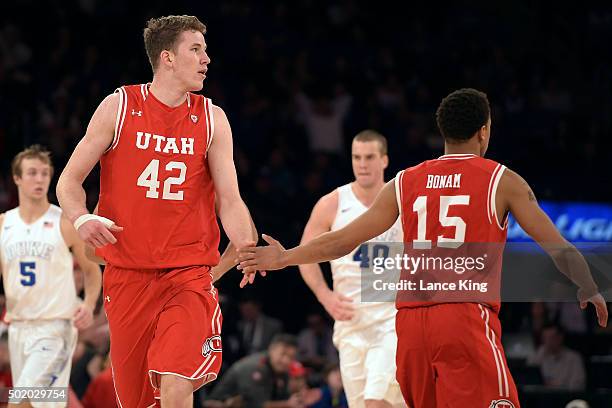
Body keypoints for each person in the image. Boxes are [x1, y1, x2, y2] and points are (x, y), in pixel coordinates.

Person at [237, 88, 608, 407]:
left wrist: (285, 257)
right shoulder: (501, 180)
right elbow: (556, 246)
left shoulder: (405, 181)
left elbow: (342, 240)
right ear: (484, 131)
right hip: (463, 317)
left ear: (442, 131)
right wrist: (589, 286)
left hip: (410, 326)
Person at [56, 15, 257, 408]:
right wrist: (82, 218)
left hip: (188, 273)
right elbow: (68, 182)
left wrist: (245, 244)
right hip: (128, 274)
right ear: (167, 58)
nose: (207, 59)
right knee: (137, 400)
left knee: (177, 379)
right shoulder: (119, 107)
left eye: (205, 49)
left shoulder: (212, 118)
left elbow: (230, 201)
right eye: (195, 49)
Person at [298, 130, 403, 407]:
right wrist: (324, 295)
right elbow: (305, 254)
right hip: (350, 323)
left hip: (392, 319)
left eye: (369, 157)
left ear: (384, 160)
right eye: (357, 157)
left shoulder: (403, 200)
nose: (362, 164)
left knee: (375, 401)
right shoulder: (332, 202)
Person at [0, 145, 102, 407]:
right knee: (44, 404)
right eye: (32, 173)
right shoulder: (4, 224)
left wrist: (89, 304)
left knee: (19, 401)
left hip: (55, 328)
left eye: (45, 173)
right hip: (19, 327)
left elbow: (92, 271)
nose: (40, 179)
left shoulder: (64, 223)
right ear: (17, 179)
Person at [206, 334, 303, 408]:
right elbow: (256, 404)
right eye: (283, 354)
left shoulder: (282, 370)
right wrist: (287, 404)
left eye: (291, 357)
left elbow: (282, 397)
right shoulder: (255, 367)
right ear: (272, 349)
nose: (286, 361)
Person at [527, 324, 586, 391]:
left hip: (565, 397)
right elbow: (529, 377)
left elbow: (578, 386)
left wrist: (558, 385)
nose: (547, 342)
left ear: (560, 337)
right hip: (541, 398)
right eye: (544, 338)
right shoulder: (538, 355)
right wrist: (540, 354)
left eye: (551, 338)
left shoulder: (574, 358)